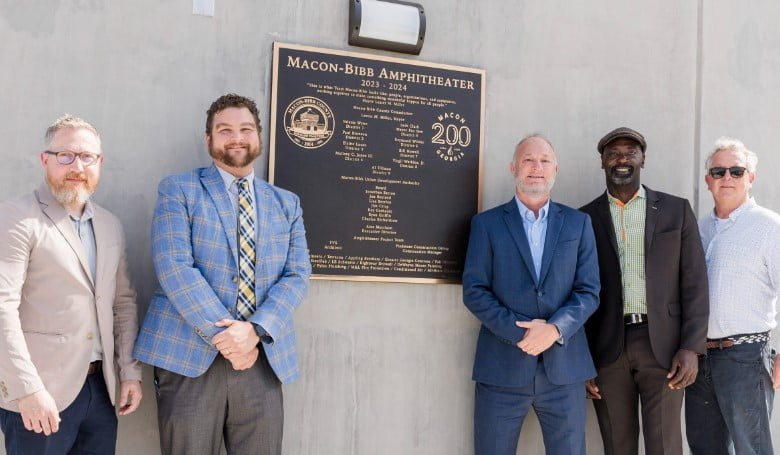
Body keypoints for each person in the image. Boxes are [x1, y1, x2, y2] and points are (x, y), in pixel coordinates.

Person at [133, 93, 311, 455]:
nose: (236, 138)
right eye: (225, 129)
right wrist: (229, 339)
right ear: (209, 140)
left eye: (246, 129)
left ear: (259, 137)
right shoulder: (179, 190)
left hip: (261, 360)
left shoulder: (286, 203)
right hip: (191, 358)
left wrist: (254, 331)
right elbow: (174, 266)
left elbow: (297, 274)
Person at [0, 115, 143, 454]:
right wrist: (28, 390)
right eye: (65, 155)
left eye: (87, 157)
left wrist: (130, 372)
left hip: (101, 391)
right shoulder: (17, 217)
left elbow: (122, 303)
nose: (77, 165)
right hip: (39, 397)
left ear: (100, 163)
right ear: (44, 159)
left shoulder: (110, 225)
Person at [462, 134, 600, 455]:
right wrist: (521, 333)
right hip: (502, 370)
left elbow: (589, 290)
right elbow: (475, 290)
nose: (536, 167)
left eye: (544, 161)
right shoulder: (487, 224)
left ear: (556, 169)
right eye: (528, 160)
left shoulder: (578, 224)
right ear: (514, 167)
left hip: (564, 373)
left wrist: (553, 330)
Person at [579, 127, 709, 455]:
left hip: (664, 349)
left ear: (643, 160)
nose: (622, 159)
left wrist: (691, 348)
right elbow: (576, 291)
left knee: (664, 446)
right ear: (602, 162)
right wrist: (581, 360)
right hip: (606, 350)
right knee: (616, 446)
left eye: (630, 152)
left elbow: (695, 282)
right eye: (613, 153)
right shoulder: (583, 218)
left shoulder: (675, 210)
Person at [685, 137, 780, 455]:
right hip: (700, 361)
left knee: (752, 450)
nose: (727, 177)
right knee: (704, 449)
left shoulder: (769, 227)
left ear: (750, 178)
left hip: (746, 359)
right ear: (708, 179)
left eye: (736, 171)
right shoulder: (698, 229)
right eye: (719, 170)